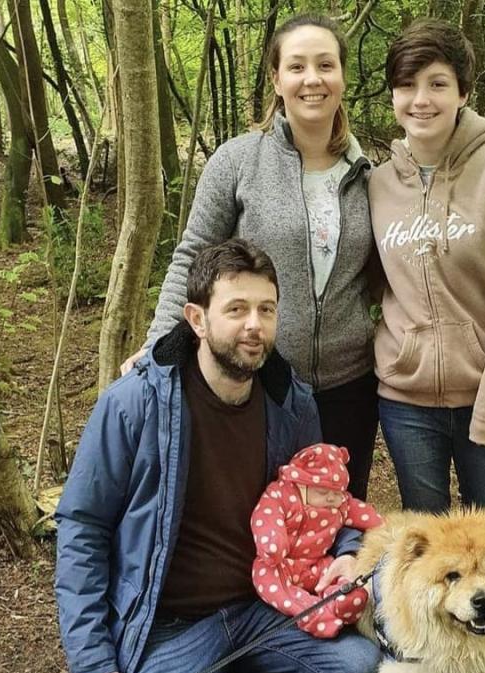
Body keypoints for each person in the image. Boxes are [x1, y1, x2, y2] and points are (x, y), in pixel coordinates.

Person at [55, 241, 379, 673]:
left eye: (266, 309)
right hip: (172, 623)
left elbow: (330, 501)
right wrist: (90, 659)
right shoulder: (134, 403)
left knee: (361, 670)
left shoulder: (291, 403)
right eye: (237, 309)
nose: (255, 324)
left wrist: (349, 551)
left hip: (266, 605)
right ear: (197, 319)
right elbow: (83, 525)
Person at [120, 14, 379, 501]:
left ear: (342, 77)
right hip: (259, 377)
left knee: (336, 519)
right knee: (257, 517)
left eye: (326, 65)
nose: (312, 79)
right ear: (277, 80)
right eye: (297, 66)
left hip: (350, 386)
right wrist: (160, 345)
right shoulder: (237, 161)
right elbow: (192, 256)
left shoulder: (369, 175)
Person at [368, 19, 485, 513]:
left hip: (483, 394)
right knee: (430, 554)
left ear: (463, 92)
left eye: (437, 84)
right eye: (407, 85)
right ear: (393, 96)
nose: (421, 99)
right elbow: (369, 284)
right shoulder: (378, 184)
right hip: (406, 404)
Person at [251, 443, 383, 639]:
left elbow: (365, 515)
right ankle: (312, 615)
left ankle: (343, 599)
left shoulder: (340, 504)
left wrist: (386, 526)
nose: (331, 498)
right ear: (302, 485)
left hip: (317, 563)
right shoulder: (282, 495)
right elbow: (266, 517)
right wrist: (272, 544)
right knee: (272, 581)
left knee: (338, 574)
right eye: (322, 492)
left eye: (336, 492)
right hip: (280, 564)